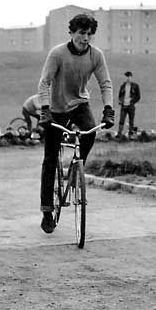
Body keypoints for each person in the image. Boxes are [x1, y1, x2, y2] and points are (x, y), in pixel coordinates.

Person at [37, 13, 115, 233]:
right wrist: (44, 110)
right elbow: (44, 83)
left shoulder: (96, 55)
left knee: (90, 132)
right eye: (81, 33)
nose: (85, 38)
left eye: (89, 34)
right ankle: (46, 211)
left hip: (80, 104)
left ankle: (77, 166)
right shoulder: (58, 53)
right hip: (56, 108)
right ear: (71, 33)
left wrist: (108, 109)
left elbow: (105, 83)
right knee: (50, 158)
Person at [117, 71, 141, 137]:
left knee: (131, 120)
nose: (128, 78)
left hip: (131, 106)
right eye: (126, 77)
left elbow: (138, 96)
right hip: (123, 106)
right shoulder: (122, 86)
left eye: (129, 77)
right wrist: (120, 101)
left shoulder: (135, 86)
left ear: (131, 77)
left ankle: (131, 133)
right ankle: (119, 133)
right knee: (121, 120)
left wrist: (132, 101)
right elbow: (120, 95)